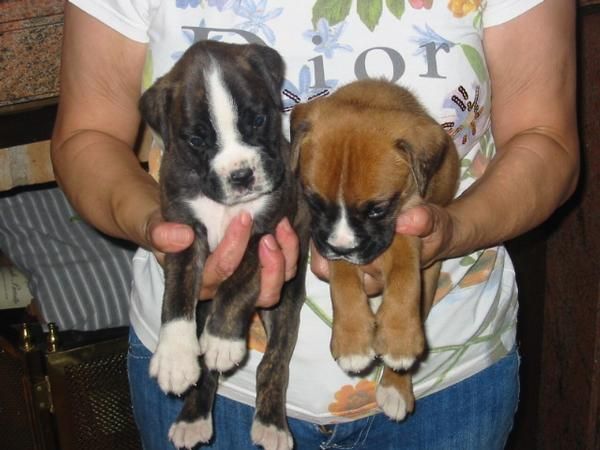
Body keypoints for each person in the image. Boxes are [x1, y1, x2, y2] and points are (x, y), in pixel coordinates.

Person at [51, 1, 579, 449]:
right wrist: (163, 230)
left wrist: (451, 231)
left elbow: (545, 138)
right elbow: (87, 134)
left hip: (446, 378)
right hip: (208, 367)